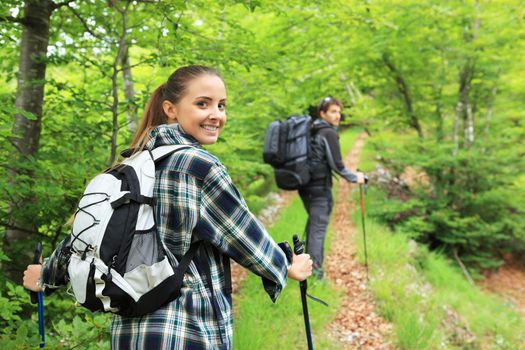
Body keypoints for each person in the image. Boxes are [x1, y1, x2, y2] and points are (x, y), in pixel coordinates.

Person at [23, 65, 313, 349]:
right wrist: (288, 264)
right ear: (170, 109)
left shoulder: (132, 165)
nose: (216, 115)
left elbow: (87, 235)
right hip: (187, 329)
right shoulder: (199, 167)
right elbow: (247, 239)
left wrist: (46, 275)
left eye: (222, 106)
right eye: (203, 104)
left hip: (130, 334)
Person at [299, 96, 365, 279]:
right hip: (320, 190)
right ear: (323, 113)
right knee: (317, 232)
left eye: (339, 111)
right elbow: (338, 166)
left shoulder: (311, 130)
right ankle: (316, 274)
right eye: (333, 112)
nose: (338, 115)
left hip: (304, 187)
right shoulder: (327, 133)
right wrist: (357, 178)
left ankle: (304, 267)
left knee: (313, 226)